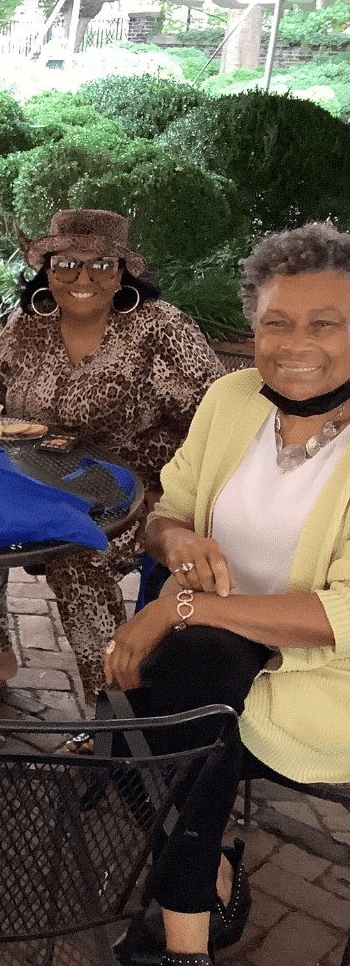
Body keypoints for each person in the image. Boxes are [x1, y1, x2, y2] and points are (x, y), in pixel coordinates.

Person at [106, 221, 350, 966]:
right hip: (215, 662)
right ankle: (207, 874)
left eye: (325, 323)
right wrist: (177, 544)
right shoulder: (233, 398)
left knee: (190, 693)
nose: (294, 342)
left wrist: (181, 606)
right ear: (253, 325)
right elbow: (168, 510)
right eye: (276, 321)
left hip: (327, 686)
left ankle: (181, 943)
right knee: (126, 719)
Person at [0, 210, 223, 705]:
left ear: (122, 272)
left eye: (101, 264)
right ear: (46, 268)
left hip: (130, 494)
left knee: (77, 558)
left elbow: (216, 417)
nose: (82, 278)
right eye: (65, 263)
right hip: (32, 477)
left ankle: (107, 701)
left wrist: (166, 490)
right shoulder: (30, 322)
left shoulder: (161, 330)